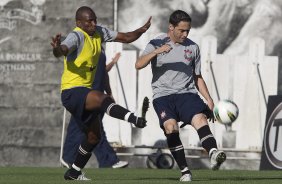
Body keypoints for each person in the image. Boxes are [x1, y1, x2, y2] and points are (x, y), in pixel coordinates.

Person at [51, 6, 151, 180]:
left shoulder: (99, 32)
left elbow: (126, 37)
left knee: (93, 137)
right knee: (101, 97)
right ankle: (134, 119)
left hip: (85, 92)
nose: (93, 23)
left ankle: (74, 172)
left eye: (94, 19)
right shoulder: (76, 35)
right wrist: (57, 48)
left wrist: (141, 30)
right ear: (79, 23)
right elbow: (63, 50)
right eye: (89, 21)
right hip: (71, 92)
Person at [135, 10, 226, 182]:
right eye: (181, 30)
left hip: (187, 94)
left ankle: (214, 153)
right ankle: (185, 171)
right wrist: (157, 51)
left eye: (188, 31)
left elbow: (197, 76)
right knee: (171, 128)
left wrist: (209, 99)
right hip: (162, 97)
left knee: (200, 119)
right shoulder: (156, 43)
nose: (185, 34)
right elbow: (138, 64)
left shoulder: (192, 48)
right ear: (171, 27)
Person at [61, 52, 129, 169]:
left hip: (97, 96)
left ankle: (69, 158)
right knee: (87, 129)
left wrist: (109, 92)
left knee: (91, 130)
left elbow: (103, 73)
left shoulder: (99, 50)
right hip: (86, 95)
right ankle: (108, 160)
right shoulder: (83, 46)